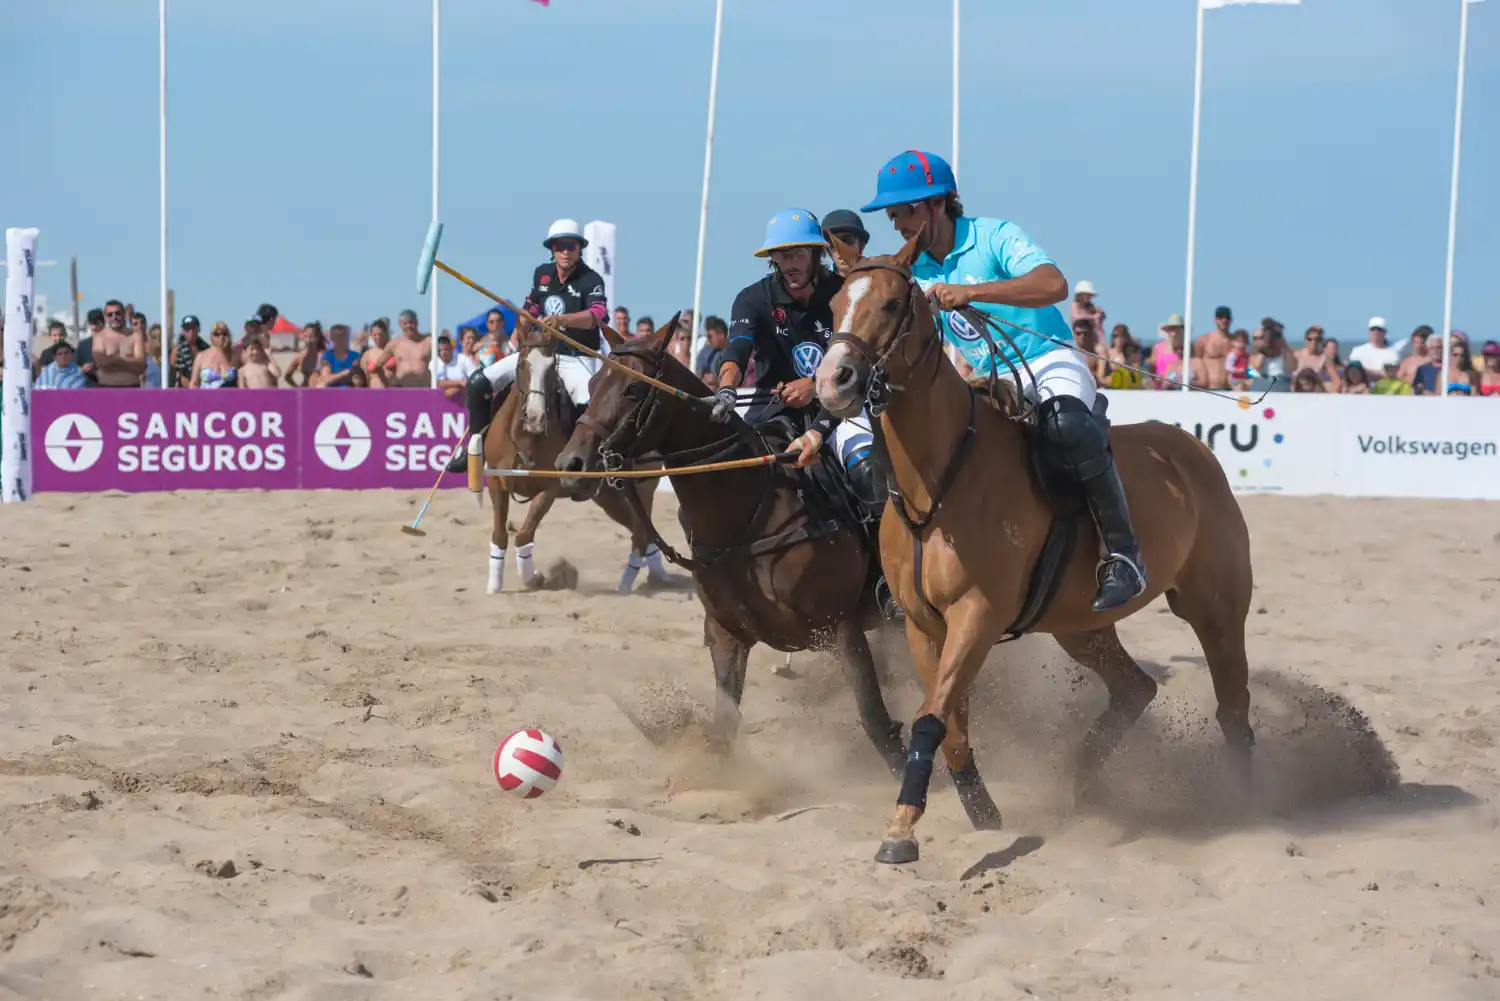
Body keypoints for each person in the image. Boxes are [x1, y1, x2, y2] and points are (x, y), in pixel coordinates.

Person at [859, 148, 1145, 612]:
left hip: (1049, 360)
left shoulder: (994, 236)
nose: (898, 225)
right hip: (989, 377)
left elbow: (1053, 284)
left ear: (937, 203)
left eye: (905, 212)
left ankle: (1123, 555)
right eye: (892, 216)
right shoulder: (912, 265)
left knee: (1068, 429)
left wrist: (973, 291)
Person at [707, 208, 895, 618]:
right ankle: (723, 577)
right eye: (781, 255)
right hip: (773, 403)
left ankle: (887, 580)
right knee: (720, 465)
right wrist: (725, 387)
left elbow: (860, 363)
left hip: (842, 406)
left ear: (816, 253)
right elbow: (737, 349)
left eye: (797, 254)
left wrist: (815, 388)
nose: (789, 263)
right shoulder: (753, 297)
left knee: (866, 471)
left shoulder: (843, 291)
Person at [447, 219, 607, 472]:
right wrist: (519, 329)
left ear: (579, 249)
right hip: (538, 352)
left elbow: (597, 314)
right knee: (478, 384)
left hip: (574, 355)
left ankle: (585, 461)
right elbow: (531, 306)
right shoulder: (542, 273)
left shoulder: (590, 279)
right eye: (560, 246)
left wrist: (562, 319)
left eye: (571, 246)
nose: (566, 252)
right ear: (552, 249)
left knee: (588, 402)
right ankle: (473, 452)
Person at [820, 209, 871, 275]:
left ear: (861, 246)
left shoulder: (879, 281)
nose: (840, 248)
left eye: (848, 240)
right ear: (827, 249)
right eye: (833, 243)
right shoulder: (817, 283)